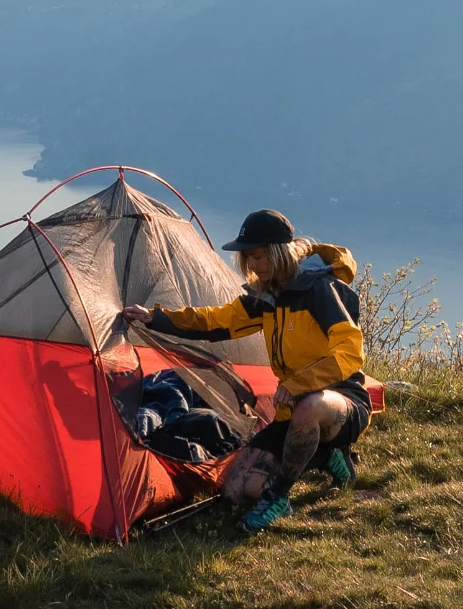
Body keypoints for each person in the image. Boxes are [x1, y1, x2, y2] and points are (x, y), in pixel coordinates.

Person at [123, 208, 371, 534]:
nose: (252, 265)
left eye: (257, 256)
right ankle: (327, 456)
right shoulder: (266, 297)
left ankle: (279, 499)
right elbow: (215, 321)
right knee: (238, 489)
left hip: (342, 400)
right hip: (293, 408)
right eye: (248, 258)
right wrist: (156, 318)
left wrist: (300, 384)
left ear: (278, 252)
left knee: (309, 407)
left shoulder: (318, 290)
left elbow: (350, 351)